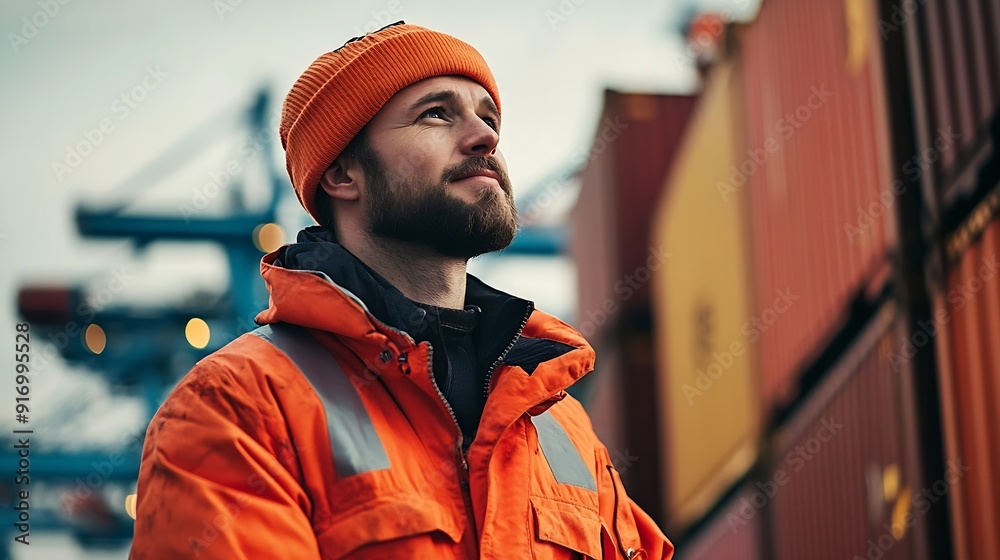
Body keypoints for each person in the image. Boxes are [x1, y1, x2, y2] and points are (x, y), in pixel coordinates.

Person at [129, 21, 673, 559]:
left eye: (489, 117)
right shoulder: (238, 403)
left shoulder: (560, 421)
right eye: (436, 114)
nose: (485, 136)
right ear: (343, 175)